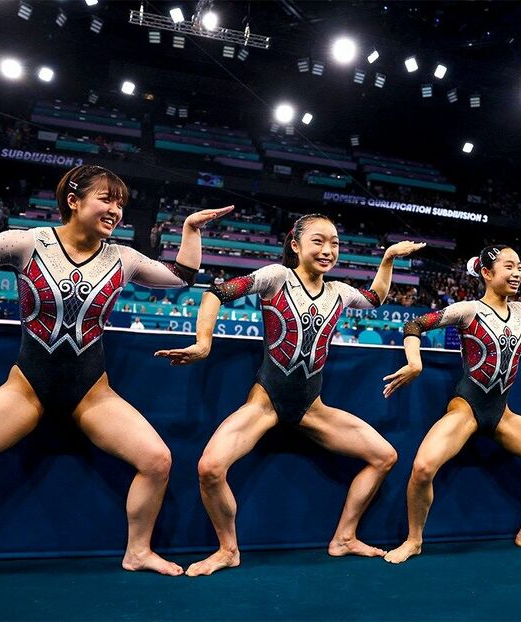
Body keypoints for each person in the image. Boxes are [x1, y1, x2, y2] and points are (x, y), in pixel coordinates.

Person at [0, 164, 232, 589]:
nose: (116, 210)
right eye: (106, 199)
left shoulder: (123, 259)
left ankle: (139, 551)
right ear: (73, 201)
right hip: (27, 389)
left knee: (157, 460)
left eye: (121, 204)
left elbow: (182, 278)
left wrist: (190, 229)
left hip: (92, 393)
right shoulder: (27, 243)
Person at [155, 213, 424, 576]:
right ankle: (228, 549)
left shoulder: (340, 292)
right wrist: (204, 343)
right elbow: (215, 293)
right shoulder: (277, 277)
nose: (328, 249)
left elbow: (375, 297)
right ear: (295, 245)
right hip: (265, 402)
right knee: (210, 468)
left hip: (311, 407)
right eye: (318, 241)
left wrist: (388, 258)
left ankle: (344, 538)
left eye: (335, 243)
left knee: (384, 456)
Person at [381, 245, 521, 563]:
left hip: (502, 414)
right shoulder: (468, 310)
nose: (517, 273)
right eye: (509, 266)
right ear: (487, 273)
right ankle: (414, 540)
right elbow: (414, 326)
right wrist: (414, 362)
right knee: (423, 468)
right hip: (466, 408)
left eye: (520, 267)